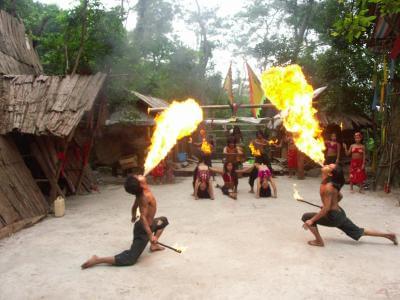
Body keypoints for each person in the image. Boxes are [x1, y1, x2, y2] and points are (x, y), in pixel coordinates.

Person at [81, 175, 168, 269]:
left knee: (163, 221)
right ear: (141, 184)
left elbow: (134, 207)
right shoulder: (144, 197)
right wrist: (150, 235)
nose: (139, 175)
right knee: (130, 258)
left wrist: (133, 216)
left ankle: (154, 246)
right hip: (143, 229)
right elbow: (143, 217)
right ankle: (98, 259)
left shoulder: (140, 193)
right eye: (138, 177)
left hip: (150, 224)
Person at [301, 164, 397, 247]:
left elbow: (326, 209)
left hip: (333, 217)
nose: (326, 165)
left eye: (329, 166)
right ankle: (388, 235)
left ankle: (319, 241)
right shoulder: (330, 183)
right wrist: (331, 205)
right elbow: (340, 196)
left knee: (306, 217)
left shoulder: (328, 187)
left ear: (330, 173)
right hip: (339, 214)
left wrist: (312, 220)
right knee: (359, 231)